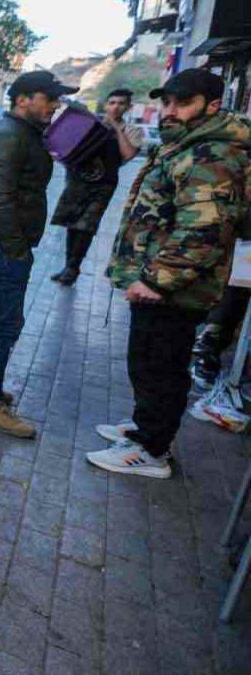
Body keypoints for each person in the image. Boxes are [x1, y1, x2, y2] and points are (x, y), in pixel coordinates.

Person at [91, 69, 250, 479]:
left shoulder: (211, 155)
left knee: (160, 365)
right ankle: (147, 429)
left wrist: (156, 280)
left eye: (183, 103)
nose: (170, 112)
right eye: (167, 103)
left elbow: (203, 231)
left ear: (212, 106)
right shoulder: (187, 144)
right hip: (163, 284)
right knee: (150, 361)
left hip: (173, 289)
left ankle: (150, 450)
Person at [0, 70, 75, 438]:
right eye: (48, 98)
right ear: (23, 99)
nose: (55, 105)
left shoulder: (22, 134)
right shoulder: (9, 137)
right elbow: (0, 199)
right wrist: (16, 250)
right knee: (2, 324)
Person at [49, 88, 144, 286]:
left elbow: (127, 154)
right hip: (78, 179)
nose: (115, 107)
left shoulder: (132, 130)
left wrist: (116, 128)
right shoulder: (91, 124)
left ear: (128, 107)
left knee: (86, 226)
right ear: (106, 105)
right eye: (112, 103)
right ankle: (68, 266)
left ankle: (74, 268)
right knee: (71, 223)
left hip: (103, 184)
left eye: (121, 103)